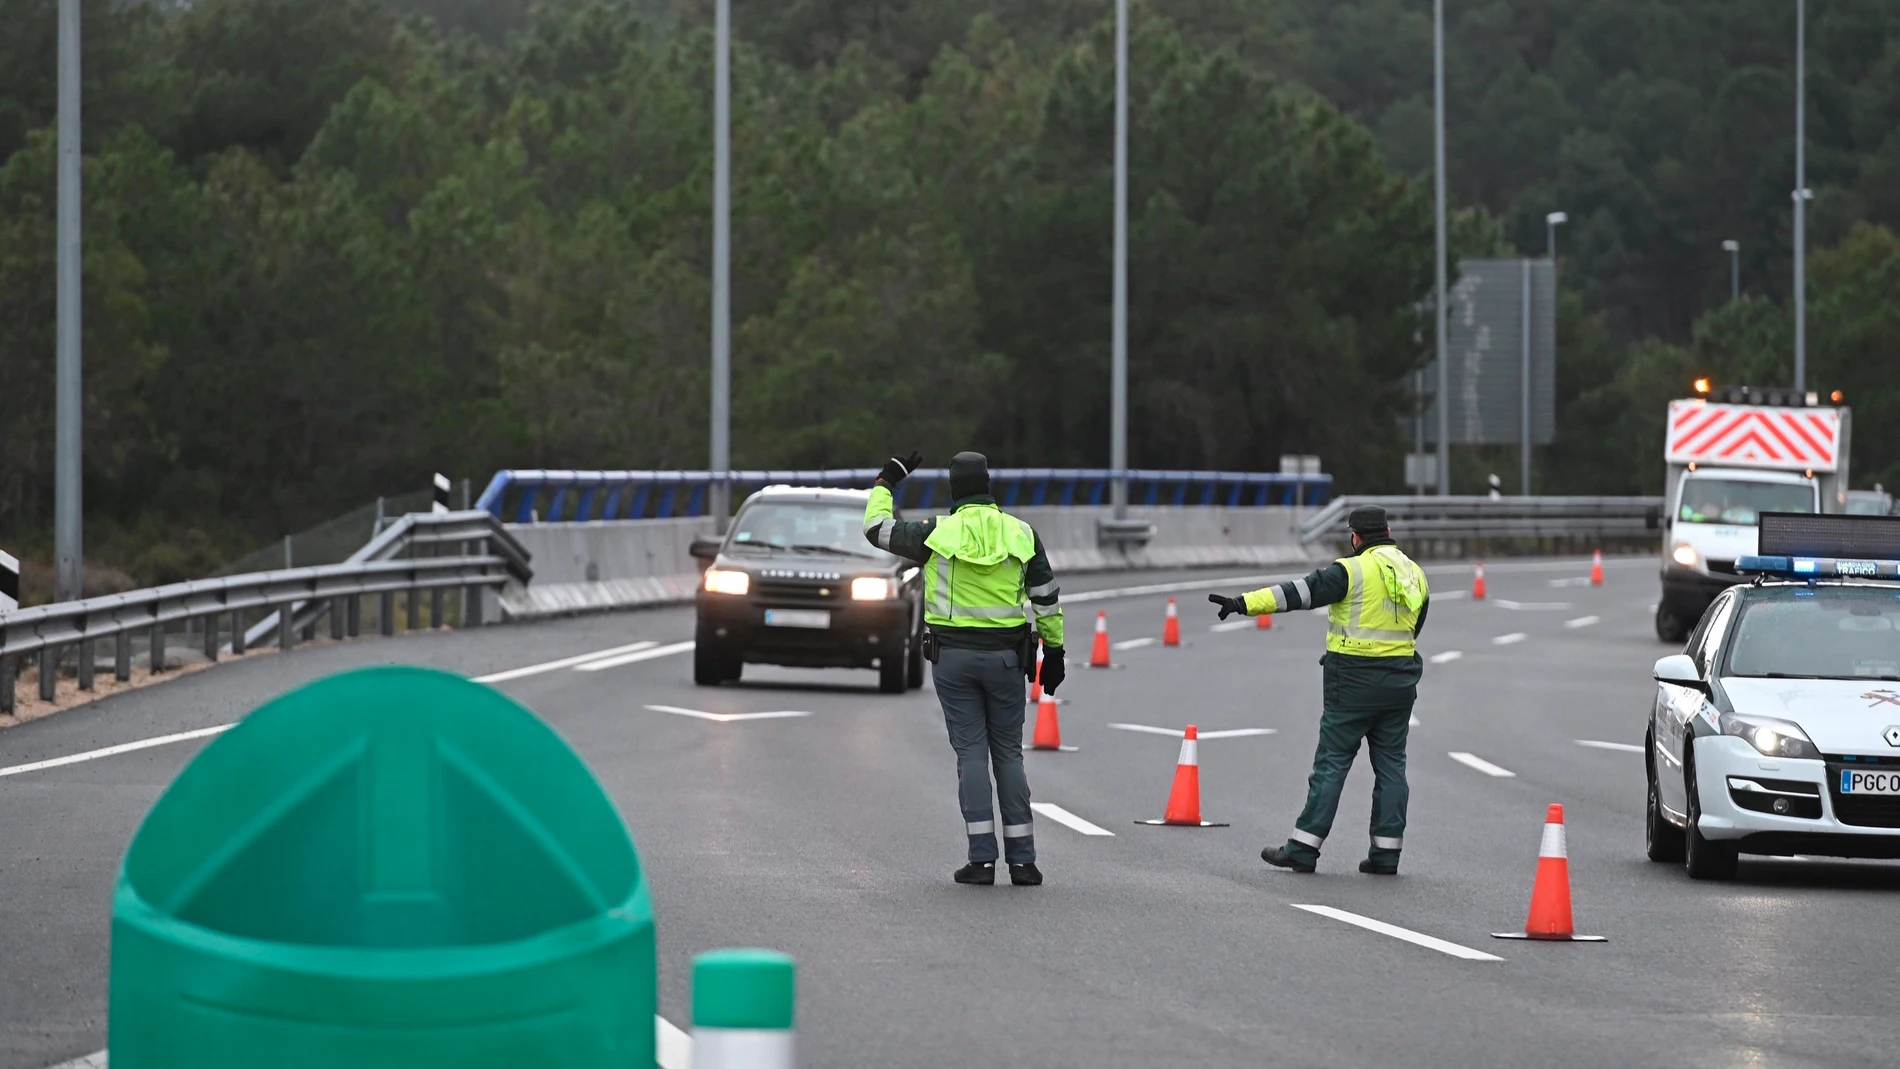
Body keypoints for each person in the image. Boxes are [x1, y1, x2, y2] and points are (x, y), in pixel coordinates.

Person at [864, 450, 1065, 886]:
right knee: (1008, 754)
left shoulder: (935, 532)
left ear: (954, 489)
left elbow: (875, 530)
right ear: (988, 485)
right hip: (1008, 659)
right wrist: (1056, 651)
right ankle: (1024, 862)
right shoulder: (1021, 533)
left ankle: (982, 861)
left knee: (971, 754)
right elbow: (1045, 596)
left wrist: (887, 482)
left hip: (953, 660)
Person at [1207, 504, 1429, 875]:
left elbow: (1296, 594)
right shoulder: (1414, 572)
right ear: (1388, 531)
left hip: (1353, 682)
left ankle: (1303, 848)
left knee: (1332, 762)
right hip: (1400, 681)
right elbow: (1416, 625)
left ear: (1355, 537)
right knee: (1392, 767)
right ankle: (1386, 855)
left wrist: (1241, 603)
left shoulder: (1351, 569)